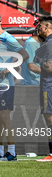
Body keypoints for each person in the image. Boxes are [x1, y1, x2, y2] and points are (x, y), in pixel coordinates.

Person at [0, 10, 28, 161]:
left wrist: (8, 68)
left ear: (0, 21)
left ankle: (12, 152)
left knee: (4, 116)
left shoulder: (7, 37)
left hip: (5, 85)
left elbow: (24, 55)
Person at [33, 16, 52, 162]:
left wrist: (40, 61)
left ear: (46, 27)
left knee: (49, 117)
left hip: (48, 85)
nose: (38, 29)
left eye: (40, 26)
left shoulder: (48, 44)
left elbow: (49, 67)